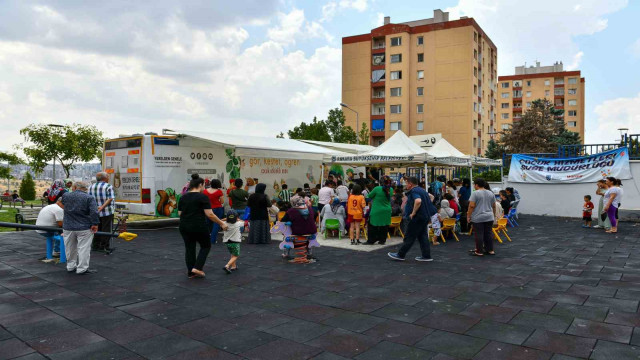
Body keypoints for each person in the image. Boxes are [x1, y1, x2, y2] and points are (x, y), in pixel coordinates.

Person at [178, 174, 227, 278]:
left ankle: (191, 272)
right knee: (205, 246)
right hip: (198, 225)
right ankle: (197, 267)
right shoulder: (202, 197)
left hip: (184, 226)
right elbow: (210, 214)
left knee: (189, 248)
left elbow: (180, 214)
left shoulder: (183, 197)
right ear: (200, 185)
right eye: (204, 185)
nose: (205, 187)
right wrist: (221, 223)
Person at [388, 176, 436, 262]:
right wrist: (426, 206)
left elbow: (418, 201)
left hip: (417, 217)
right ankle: (426, 255)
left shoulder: (413, 191)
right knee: (423, 236)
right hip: (424, 216)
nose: (405, 185)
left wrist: (413, 213)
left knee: (409, 236)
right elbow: (431, 197)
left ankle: (400, 254)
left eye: (406, 183)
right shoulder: (422, 190)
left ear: (410, 184)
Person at [62, 181, 99, 275]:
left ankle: (70, 266)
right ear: (85, 189)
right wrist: (95, 223)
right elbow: (94, 212)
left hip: (68, 226)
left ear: (74, 187)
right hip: (84, 226)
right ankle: (82, 268)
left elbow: (61, 204)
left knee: (69, 247)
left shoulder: (66, 195)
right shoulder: (89, 198)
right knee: (83, 248)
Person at [467, 178, 496, 257]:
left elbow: (471, 206)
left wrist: (468, 216)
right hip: (489, 216)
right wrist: (493, 215)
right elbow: (494, 206)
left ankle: (479, 251)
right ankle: (490, 250)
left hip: (478, 217)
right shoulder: (491, 193)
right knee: (488, 233)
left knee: (479, 234)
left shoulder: (475, 193)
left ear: (476, 185)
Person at [88, 172, 116, 253]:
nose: (108, 178)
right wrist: (102, 207)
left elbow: (89, 199)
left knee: (96, 228)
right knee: (106, 229)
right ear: (105, 178)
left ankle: (95, 245)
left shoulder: (90, 187)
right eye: (108, 176)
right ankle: (104, 246)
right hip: (107, 212)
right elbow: (110, 198)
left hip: (94, 212)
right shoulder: (108, 186)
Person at [36, 199, 66, 264]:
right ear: (60, 203)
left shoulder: (50, 206)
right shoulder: (59, 209)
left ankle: (57, 251)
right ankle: (61, 253)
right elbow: (61, 224)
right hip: (48, 230)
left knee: (60, 232)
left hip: (39, 229)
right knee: (66, 235)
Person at [366, 179, 393, 245]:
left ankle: (371, 240)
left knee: (372, 225)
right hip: (387, 210)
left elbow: (369, 196)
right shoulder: (391, 189)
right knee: (384, 226)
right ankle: (382, 240)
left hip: (377, 210)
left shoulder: (377, 188)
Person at [203, 179, 225, 243]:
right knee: (216, 223)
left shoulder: (205, 191)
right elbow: (222, 201)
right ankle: (213, 240)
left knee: (208, 223)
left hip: (207, 209)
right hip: (217, 208)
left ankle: (207, 238)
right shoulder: (219, 192)